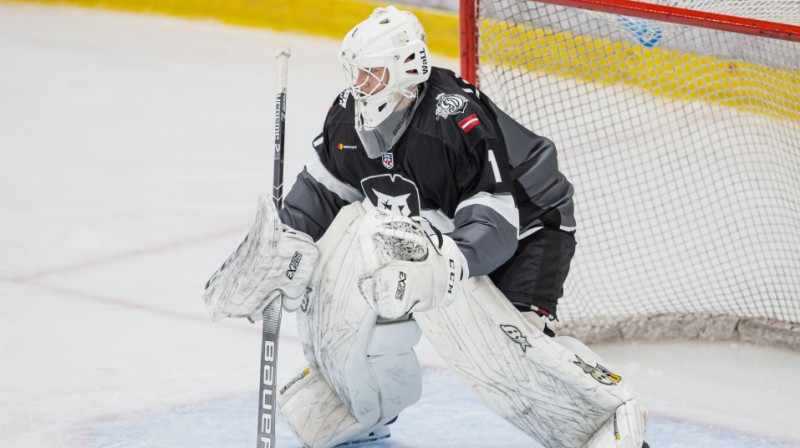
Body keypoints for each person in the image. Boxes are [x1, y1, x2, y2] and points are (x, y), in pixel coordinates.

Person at [203, 5, 648, 448]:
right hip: (436, 228)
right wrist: (283, 241)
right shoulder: (347, 117)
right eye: (354, 73)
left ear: (407, 71)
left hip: (529, 226)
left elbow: (496, 221)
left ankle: (605, 421)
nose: (358, 86)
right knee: (355, 279)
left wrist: (445, 266)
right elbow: (323, 191)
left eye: (370, 74)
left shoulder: (454, 119)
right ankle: (362, 405)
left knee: (505, 351)